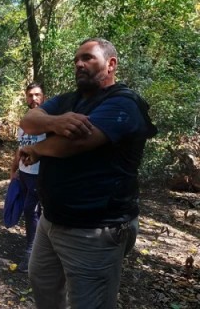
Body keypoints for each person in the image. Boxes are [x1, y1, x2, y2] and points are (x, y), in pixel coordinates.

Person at [19, 38, 157, 308]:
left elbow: (75, 143)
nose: (79, 64)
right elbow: (28, 121)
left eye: (88, 58)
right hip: (51, 220)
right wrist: (56, 121)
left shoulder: (124, 103)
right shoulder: (69, 100)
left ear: (111, 64)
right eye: (76, 60)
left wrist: (37, 148)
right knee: (42, 283)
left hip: (95, 228)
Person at [9, 83, 46, 273]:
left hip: (40, 175)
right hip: (24, 174)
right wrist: (14, 170)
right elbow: (20, 148)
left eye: (37, 95)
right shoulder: (24, 123)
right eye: (30, 95)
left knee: (31, 211)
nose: (34, 99)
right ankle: (39, 250)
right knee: (32, 212)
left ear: (44, 97)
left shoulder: (50, 122)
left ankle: (32, 254)